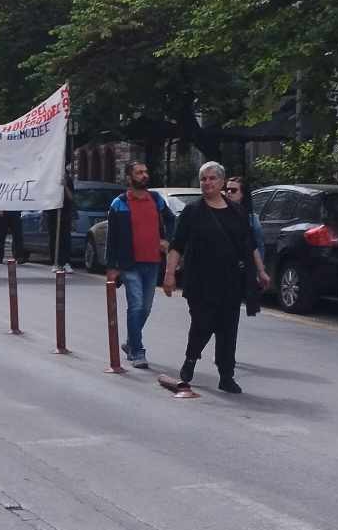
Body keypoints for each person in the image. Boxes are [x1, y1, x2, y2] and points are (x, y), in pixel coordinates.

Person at [159, 161, 270, 399]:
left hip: (230, 280)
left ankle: (226, 375)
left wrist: (261, 271)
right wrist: (169, 274)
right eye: (203, 179)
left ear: (221, 182)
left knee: (228, 328)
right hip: (200, 280)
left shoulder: (237, 211)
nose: (207, 183)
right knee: (203, 323)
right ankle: (191, 359)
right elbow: (177, 245)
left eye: (212, 178)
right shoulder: (192, 211)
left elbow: (249, 245)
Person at [104, 162, 175, 369]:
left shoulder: (156, 199)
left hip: (152, 262)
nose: (144, 175)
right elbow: (112, 238)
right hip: (130, 264)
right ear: (129, 178)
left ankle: (130, 342)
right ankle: (137, 351)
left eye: (145, 171)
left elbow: (171, 220)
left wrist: (168, 240)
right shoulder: (119, 203)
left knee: (145, 307)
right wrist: (111, 266)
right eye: (139, 173)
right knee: (136, 305)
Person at [223, 172, 266, 318]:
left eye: (233, 190)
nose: (229, 193)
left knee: (231, 309)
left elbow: (257, 246)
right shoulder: (219, 213)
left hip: (240, 270)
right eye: (227, 189)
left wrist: (259, 271)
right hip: (221, 269)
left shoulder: (252, 220)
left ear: (242, 194)